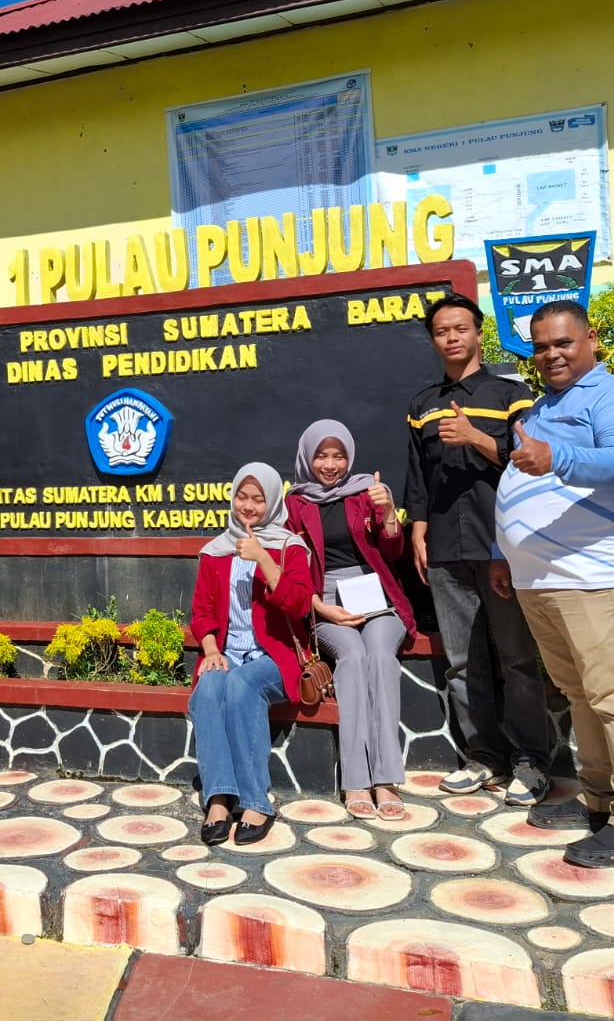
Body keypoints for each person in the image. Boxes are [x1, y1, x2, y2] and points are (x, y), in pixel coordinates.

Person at [490, 300, 614, 868]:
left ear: (591, 339)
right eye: (541, 347)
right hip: (543, 577)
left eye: (562, 343)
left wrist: (556, 454)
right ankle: (599, 800)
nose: (550, 355)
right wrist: (503, 550)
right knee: (580, 694)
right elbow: (522, 475)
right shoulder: (543, 408)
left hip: (596, 575)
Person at [404, 294, 552, 805]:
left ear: (478, 334)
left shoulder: (510, 395)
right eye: (442, 330)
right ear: (433, 339)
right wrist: (418, 528)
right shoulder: (422, 404)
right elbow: (416, 477)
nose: (451, 337)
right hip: (445, 546)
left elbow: (530, 461)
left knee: (515, 657)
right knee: (464, 662)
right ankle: (482, 757)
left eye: (461, 328)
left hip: (502, 547)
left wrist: (475, 437)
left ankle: (531, 761)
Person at [284, 421, 414, 820]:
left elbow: (391, 552)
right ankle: (356, 780)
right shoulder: (296, 504)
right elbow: (289, 567)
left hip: (376, 598)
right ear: (308, 456)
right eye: (321, 455)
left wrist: (389, 513)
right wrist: (319, 607)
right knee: (353, 658)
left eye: (337, 455)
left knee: (378, 655)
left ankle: (387, 779)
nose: (330, 464)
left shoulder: (366, 492)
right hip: (325, 603)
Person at [189, 463, 314, 846]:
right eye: (242, 497)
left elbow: (298, 604)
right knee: (209, 687)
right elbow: (202, 612)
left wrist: (263, 558)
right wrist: (210, 649)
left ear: (273, 501)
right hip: (227, 651)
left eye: (258, 499)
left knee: (243, 684)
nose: (248, 505)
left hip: (274, 656)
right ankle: (219, 798)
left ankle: (257, 801)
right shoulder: (215, 551)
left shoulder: (289, 547)